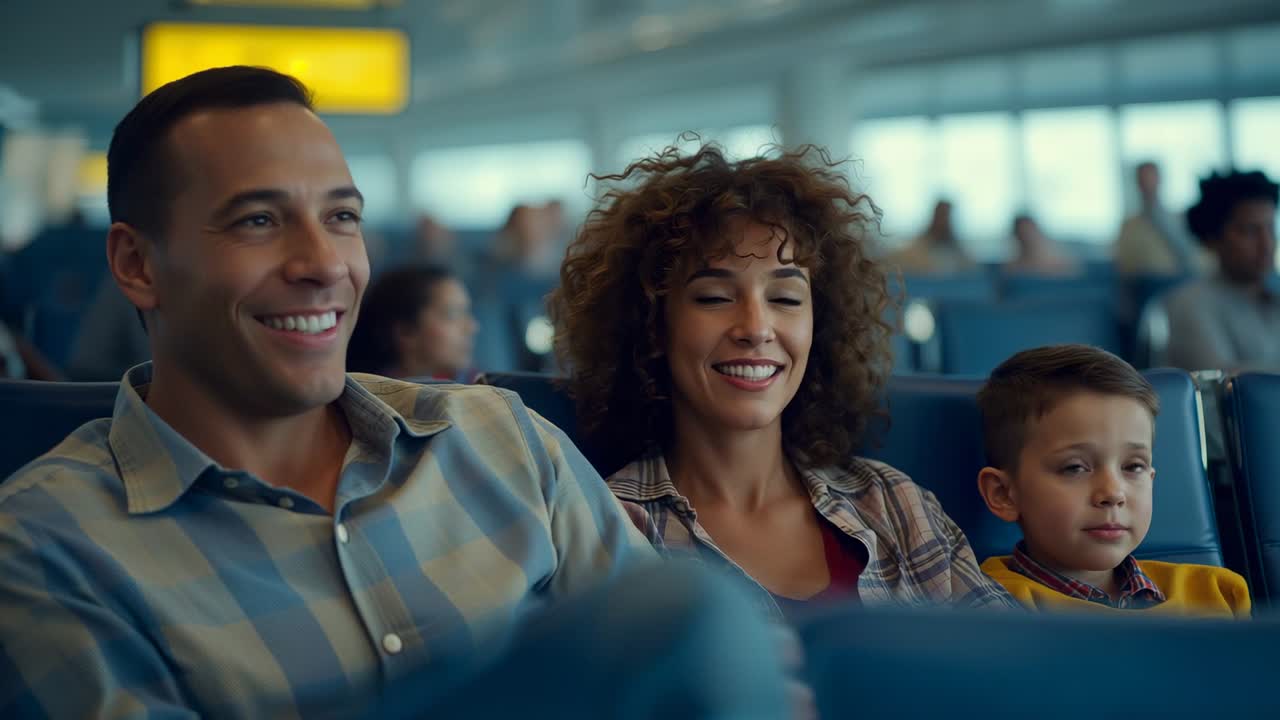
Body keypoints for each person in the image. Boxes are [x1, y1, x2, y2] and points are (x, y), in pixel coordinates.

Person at [0, 66, 792, 718]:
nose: (324, 263)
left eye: (342, 217)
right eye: (257, 222)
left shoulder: (501, 440)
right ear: (137, 265)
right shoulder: (48, 548)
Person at [549, 143, 1016, 618]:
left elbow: (1015, 658)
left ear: (819, 324)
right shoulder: (609, 529)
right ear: (652, 326)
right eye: (713, 297)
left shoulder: (894, 505)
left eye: (786, 299)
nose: (756, 328)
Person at [975, 344, 1250, 617]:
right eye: (1074, 468)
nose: (1113, 492)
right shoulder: (989, 606)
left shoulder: (1218, 594)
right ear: (1003, 494)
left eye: (1133, 466)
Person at [1162, 170, 1279, 371]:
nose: (1267, 243)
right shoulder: (1190, 304)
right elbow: (1222, 380)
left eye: (1270, 228)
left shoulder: (1273, 293)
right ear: (1212, 239)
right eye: (1250, 231)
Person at [346, 265, 477, 380]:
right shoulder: (369, 396)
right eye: (452, 315)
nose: (471, 327)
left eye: (466, 312)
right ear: (406, 331)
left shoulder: (474, 384)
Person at [1114, 161, 1207, 276]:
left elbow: (1195, 255)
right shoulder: (1129, 226)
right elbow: (1124, 268)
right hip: (1146, 281)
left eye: (1151, 178)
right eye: (1142, 179)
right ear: (1137, 183)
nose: (1147, 184)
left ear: (1160, 180)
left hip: (1182, 278)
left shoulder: (1180, 219)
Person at [881, 199, 976, 275]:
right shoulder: (915, 250)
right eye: (941, 215)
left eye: (946, 216)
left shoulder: (960, 253)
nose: (943, 221)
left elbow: (970, 268)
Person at [1003, 214, 1079, 276]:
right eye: (1021, 234)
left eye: (1029, 233)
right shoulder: (1011, 268)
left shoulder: (1063, 265)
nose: (1027, 237)